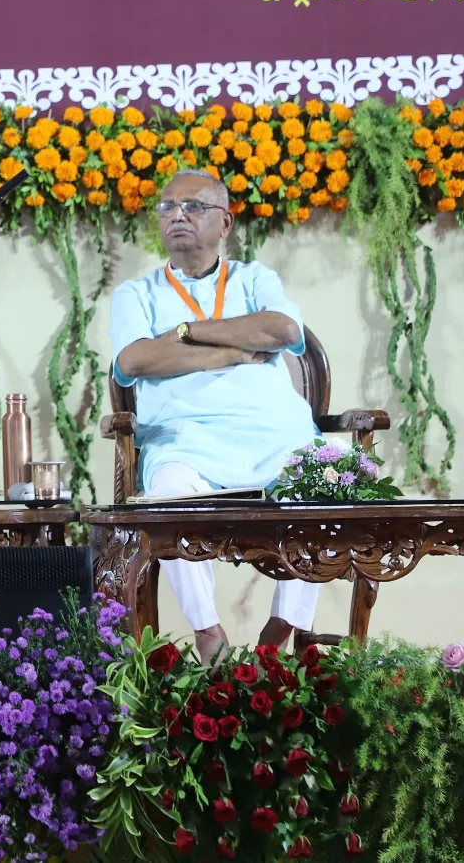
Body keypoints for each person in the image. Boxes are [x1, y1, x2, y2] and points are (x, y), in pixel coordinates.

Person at [109, 170, 320, 664]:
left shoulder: (255, 278)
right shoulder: (136, 293)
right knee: (168, 492)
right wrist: (231, 350)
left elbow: (283, 331)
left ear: (225, 222)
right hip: (185, 439)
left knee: (319, 485)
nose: (177, 215)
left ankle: (282, 628)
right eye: (167, 206)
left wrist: (185, 333)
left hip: (276, 436)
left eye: (193, 206)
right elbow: (134, 360)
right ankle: (208, 631)